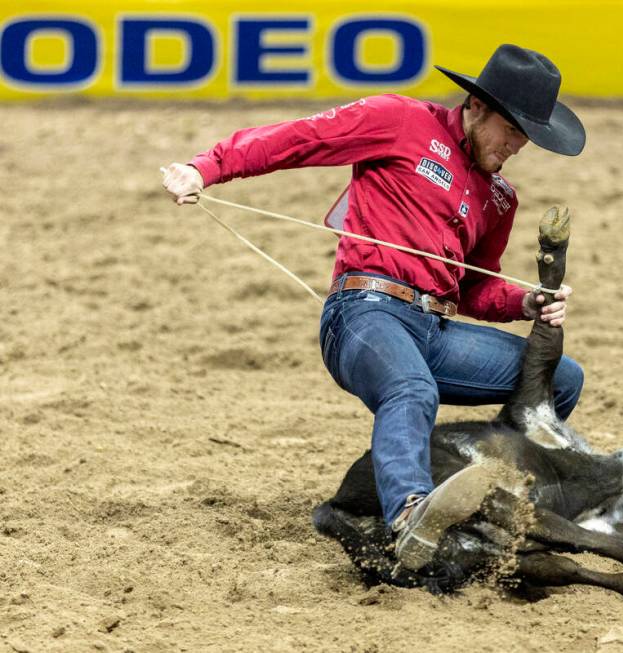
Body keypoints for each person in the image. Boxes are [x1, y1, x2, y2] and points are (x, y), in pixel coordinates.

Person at [162, 44, 587, 570]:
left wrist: (524, 301)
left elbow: (473, 287)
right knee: (411, 387)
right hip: (363, 312)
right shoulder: (400, 120)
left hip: (434, 328)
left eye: (526, 136)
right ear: (477, 106)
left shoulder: (500, 199)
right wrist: (206, 168)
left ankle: (506, 500)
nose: (517, 145)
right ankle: (410, 514)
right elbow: (298, 140)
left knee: (563, 379)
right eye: (512, 129)